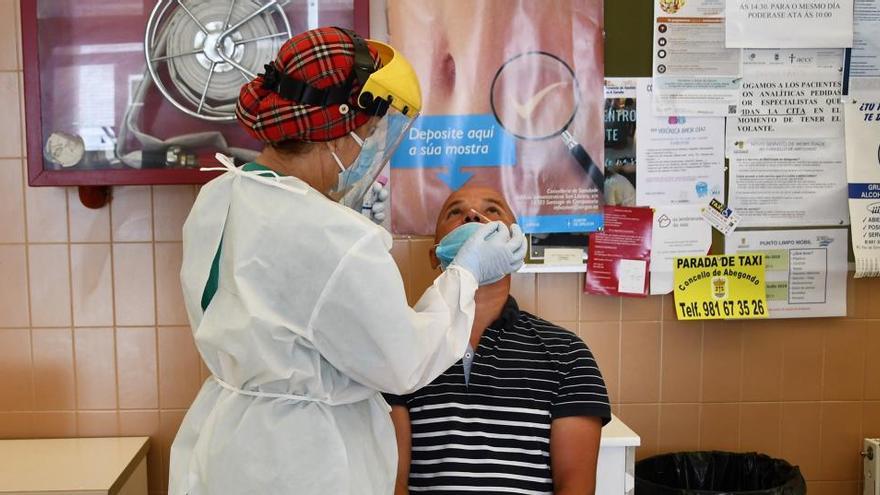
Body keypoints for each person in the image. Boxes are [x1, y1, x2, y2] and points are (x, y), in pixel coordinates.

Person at [168, 27, 526, 495]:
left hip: (231, 441)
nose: (374, 146)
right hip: (303, 462)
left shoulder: (219, 195)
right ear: (341, 129)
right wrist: (466, 273)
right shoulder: (334, 234)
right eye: (374, 131)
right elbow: (403, 363)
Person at [387, 186, 611, 495]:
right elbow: (392, 480)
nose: (473, 216)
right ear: (434, 253)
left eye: (493, 211)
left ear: (517, 246)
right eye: (455, 212)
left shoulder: (567, 355)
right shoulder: (400, 347)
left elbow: (575, 485)